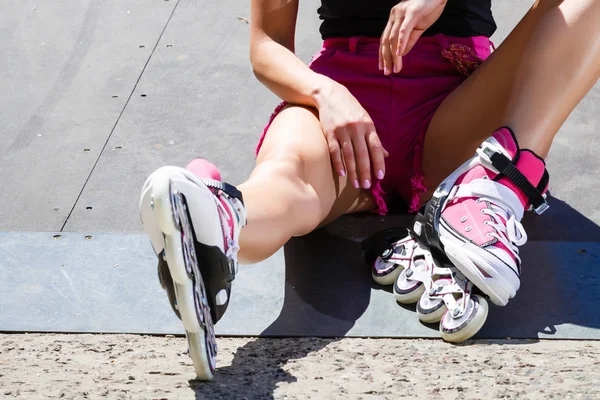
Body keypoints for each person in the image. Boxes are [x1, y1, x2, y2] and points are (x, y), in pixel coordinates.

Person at [139, 0, 600, 379]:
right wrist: (325, 95)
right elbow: (265, 46)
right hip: (342, 98)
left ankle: (500, 180)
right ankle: (215, 224)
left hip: (461, 100)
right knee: (286, 175)